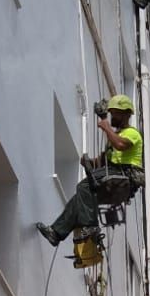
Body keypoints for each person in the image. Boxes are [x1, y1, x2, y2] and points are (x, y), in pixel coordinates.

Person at [37, 94, 143, 247]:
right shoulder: (115, 136)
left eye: (116, 113)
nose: (113, 116)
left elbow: (120, 145)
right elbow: (103, 161)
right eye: (112, 113)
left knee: (84, 187)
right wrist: (88, 162)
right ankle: (56, 233)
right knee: (77, 201)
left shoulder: (132, 133)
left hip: (124, 175)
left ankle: (91, 226)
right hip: (113, 173)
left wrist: (106, 128)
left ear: (126, 114)